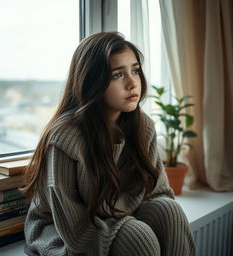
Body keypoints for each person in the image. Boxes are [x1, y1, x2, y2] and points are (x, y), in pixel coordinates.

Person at [22, 32, 196, 256]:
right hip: (64, 230)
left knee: (169, 210)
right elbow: (74, 229)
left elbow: (158, 193)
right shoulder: (66, 137)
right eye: (117, 75)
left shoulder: (143, 125)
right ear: (92, 81)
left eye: (135, 70)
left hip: (116, 215)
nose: (133, 83)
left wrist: (127, 221)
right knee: (136, 236)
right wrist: (127, 228)